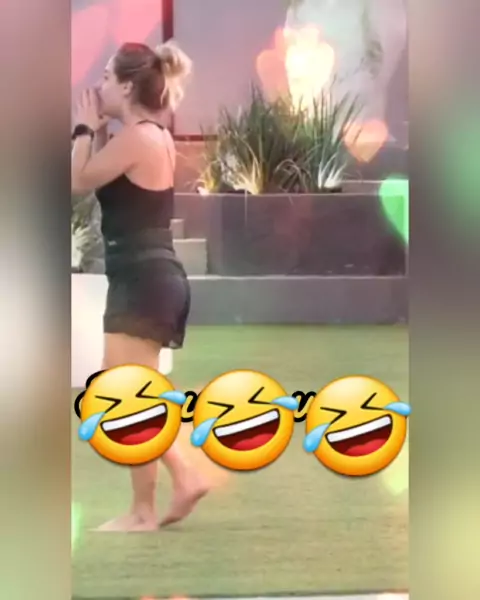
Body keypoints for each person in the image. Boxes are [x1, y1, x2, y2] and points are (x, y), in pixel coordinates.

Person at [71, 40, 208, 532]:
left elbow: (77, 180)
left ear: (128, 87)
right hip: (150, 276)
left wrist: (84, 127)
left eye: (107, 77)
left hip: (144, 278)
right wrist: (97, 130)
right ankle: (153, 502)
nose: (99, 86)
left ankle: (169, 489)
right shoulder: (149, 136)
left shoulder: (138, 138)